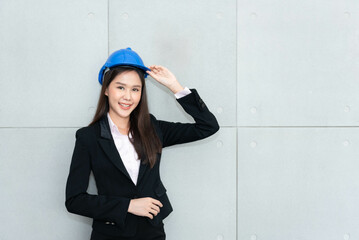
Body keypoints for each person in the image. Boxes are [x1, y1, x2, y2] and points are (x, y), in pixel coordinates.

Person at [65, 47, 220, 240]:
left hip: (151, 233)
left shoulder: (152, 129)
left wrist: (175, 86)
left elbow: (208, 126)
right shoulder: (88, 137)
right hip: (110, 234)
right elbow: (74, 200)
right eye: (120, 87)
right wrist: (128, 205)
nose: (128, 97)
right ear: (106, 89)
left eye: (135, 89)